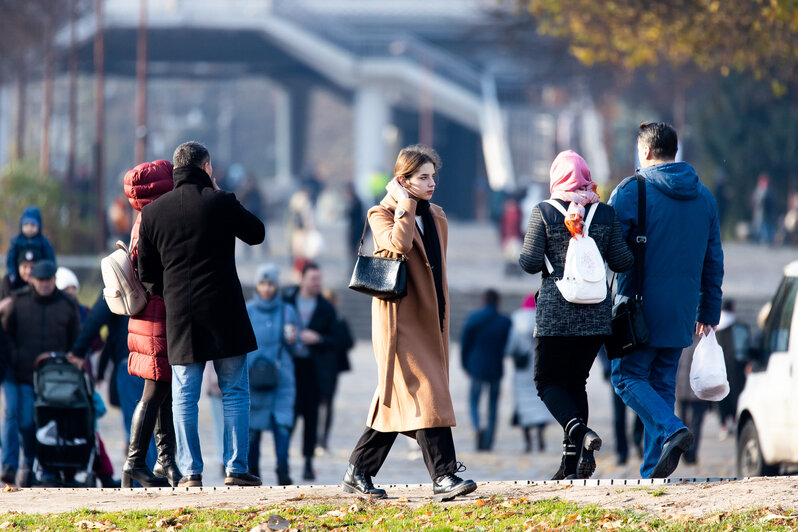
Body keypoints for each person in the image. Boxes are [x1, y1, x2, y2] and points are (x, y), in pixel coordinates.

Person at [342, 144, 477, 502]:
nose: (432, 183)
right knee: (428, 391)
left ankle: (358, 471)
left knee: (399, 398)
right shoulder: (381, 213)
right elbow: (398, 245)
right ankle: (444, 476)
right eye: (423, 177)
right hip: (399, 321)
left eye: (433, 176)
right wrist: (403, 202)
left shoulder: (437, 216)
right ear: (403, 180)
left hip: (431, 317)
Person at [137, 141, 265, 487]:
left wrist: (170, 293)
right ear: (206, 167)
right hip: (226, 312)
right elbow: (257, 233)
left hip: (181, 316)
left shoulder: (152, 213)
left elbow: (147, 274)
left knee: (184, 395)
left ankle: (190, 471)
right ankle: (236, 468)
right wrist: (222, 193)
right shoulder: (220, 201)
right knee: (235, 391)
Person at [609, 121, 723, 479]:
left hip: (637, 309)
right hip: (682, 313)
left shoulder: (630, 191)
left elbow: (609, 249)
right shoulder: (704, 197)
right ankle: (651, 474)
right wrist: (708, 309)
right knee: (660, 387)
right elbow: (713, 258)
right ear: (675, 152)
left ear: (644, 152)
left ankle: (672, 429)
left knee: (625, 378)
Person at [519, 149, 633, 480]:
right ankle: (571, 463)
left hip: (556, 312)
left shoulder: (543, 212)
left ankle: (580, 434)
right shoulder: (607, 214)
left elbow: (528, 263)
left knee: (547, 382)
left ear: (556, 178)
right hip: (597, 316)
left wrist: (551, 258)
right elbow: (622, 262)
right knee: (576, 383)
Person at [116, 159, 182, 488]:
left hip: (149, 315)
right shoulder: (155, 221)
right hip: (157, 313)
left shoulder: (143, 218)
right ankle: (134, 462)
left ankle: (165, 460)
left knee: (163, 390)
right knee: (154, 390)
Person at [2, 260, 80, 485]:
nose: (45, 284)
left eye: (48, 280)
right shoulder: (19, 302)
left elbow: (76, 336)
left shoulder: (67, 304)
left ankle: (48, 469)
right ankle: (27, 462)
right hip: (25, 375)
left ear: (55, 280)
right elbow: (6, 334)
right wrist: (15, 356)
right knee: (26, 421)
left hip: (56, 379)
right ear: (33, 280)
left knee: (52, 423)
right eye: (40, 280)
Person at [283, 262, 338, 481]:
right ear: (302, 279)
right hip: (289, 367)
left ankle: (307, 462)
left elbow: (338, 338)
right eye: (313, 279)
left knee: (311, 418)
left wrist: (319, 338)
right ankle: (283, 461)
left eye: (319, 279)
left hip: (314, 370)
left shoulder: (326, 307)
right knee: (288, 417)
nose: (317, 283)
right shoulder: (287, 302)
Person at [246, 264, 300, 486]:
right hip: (253, 378)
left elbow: (296, 347)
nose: (267, 288)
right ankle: (252, 471)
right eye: (263, 283)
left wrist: (293, 339)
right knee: (252, 430)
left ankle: (283, 470)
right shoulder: (248, 310)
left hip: (282, 379)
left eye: (271, 284)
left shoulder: (288, 311)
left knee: (282, 426)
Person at [0, 244, 40, 485]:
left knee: (27, 418)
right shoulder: (8, 286)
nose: (28, 271)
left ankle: (29, 463)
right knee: (11, 412)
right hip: (7, 366)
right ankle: (9, 465)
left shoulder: (38, 294)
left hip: (26, 367)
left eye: (32, 267)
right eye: (25, 266)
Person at [460, 289, 512, 451]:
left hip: (476, 366)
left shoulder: (474, 318)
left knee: (474, 401)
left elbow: (465, 344)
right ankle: (489, 439)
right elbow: (508, 346)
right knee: (493, 405)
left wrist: (465, 364)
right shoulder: (505, 321)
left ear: (483, 300)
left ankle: (477, 428)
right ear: (498, 302)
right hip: (496, 367)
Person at [504, 295, 552, 453]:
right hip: (541, 366)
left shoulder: (517, 321)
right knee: (540, 401)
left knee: (523, 404)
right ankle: (540, 434)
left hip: (522, 370)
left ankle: (527, 441)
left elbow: (510, 346)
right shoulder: (544, 317)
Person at [318, 289, 354, 452]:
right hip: (322, 367)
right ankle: (320, 440)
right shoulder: (323, 318)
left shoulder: (338, 320)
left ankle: (322, 440)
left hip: (330, 367)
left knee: (325, 404)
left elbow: (348, 342)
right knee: (323, 404)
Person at [715, 299, 748, 439]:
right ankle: (735, 420)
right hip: (735, 367)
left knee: (721, 395)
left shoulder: (715, 327)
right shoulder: (738, 326)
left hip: (719, 366)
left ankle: (723, 424)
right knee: (735, 393)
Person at [675, 335, 710, 464]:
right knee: (692, 422)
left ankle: (688, 452)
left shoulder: (682, 337)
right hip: (693, 389)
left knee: (688, 422)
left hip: (685, 388)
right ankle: (689, 452)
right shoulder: (704, 339)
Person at [5, 207, 56, 289]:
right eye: (26, 225)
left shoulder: (43, 242)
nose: (29, 228)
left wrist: (47, 275)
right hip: (19, 280)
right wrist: (12, 274)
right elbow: (11, 260)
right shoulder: (16, 241)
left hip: (39, 280)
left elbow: (50, 260)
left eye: (32, 225)